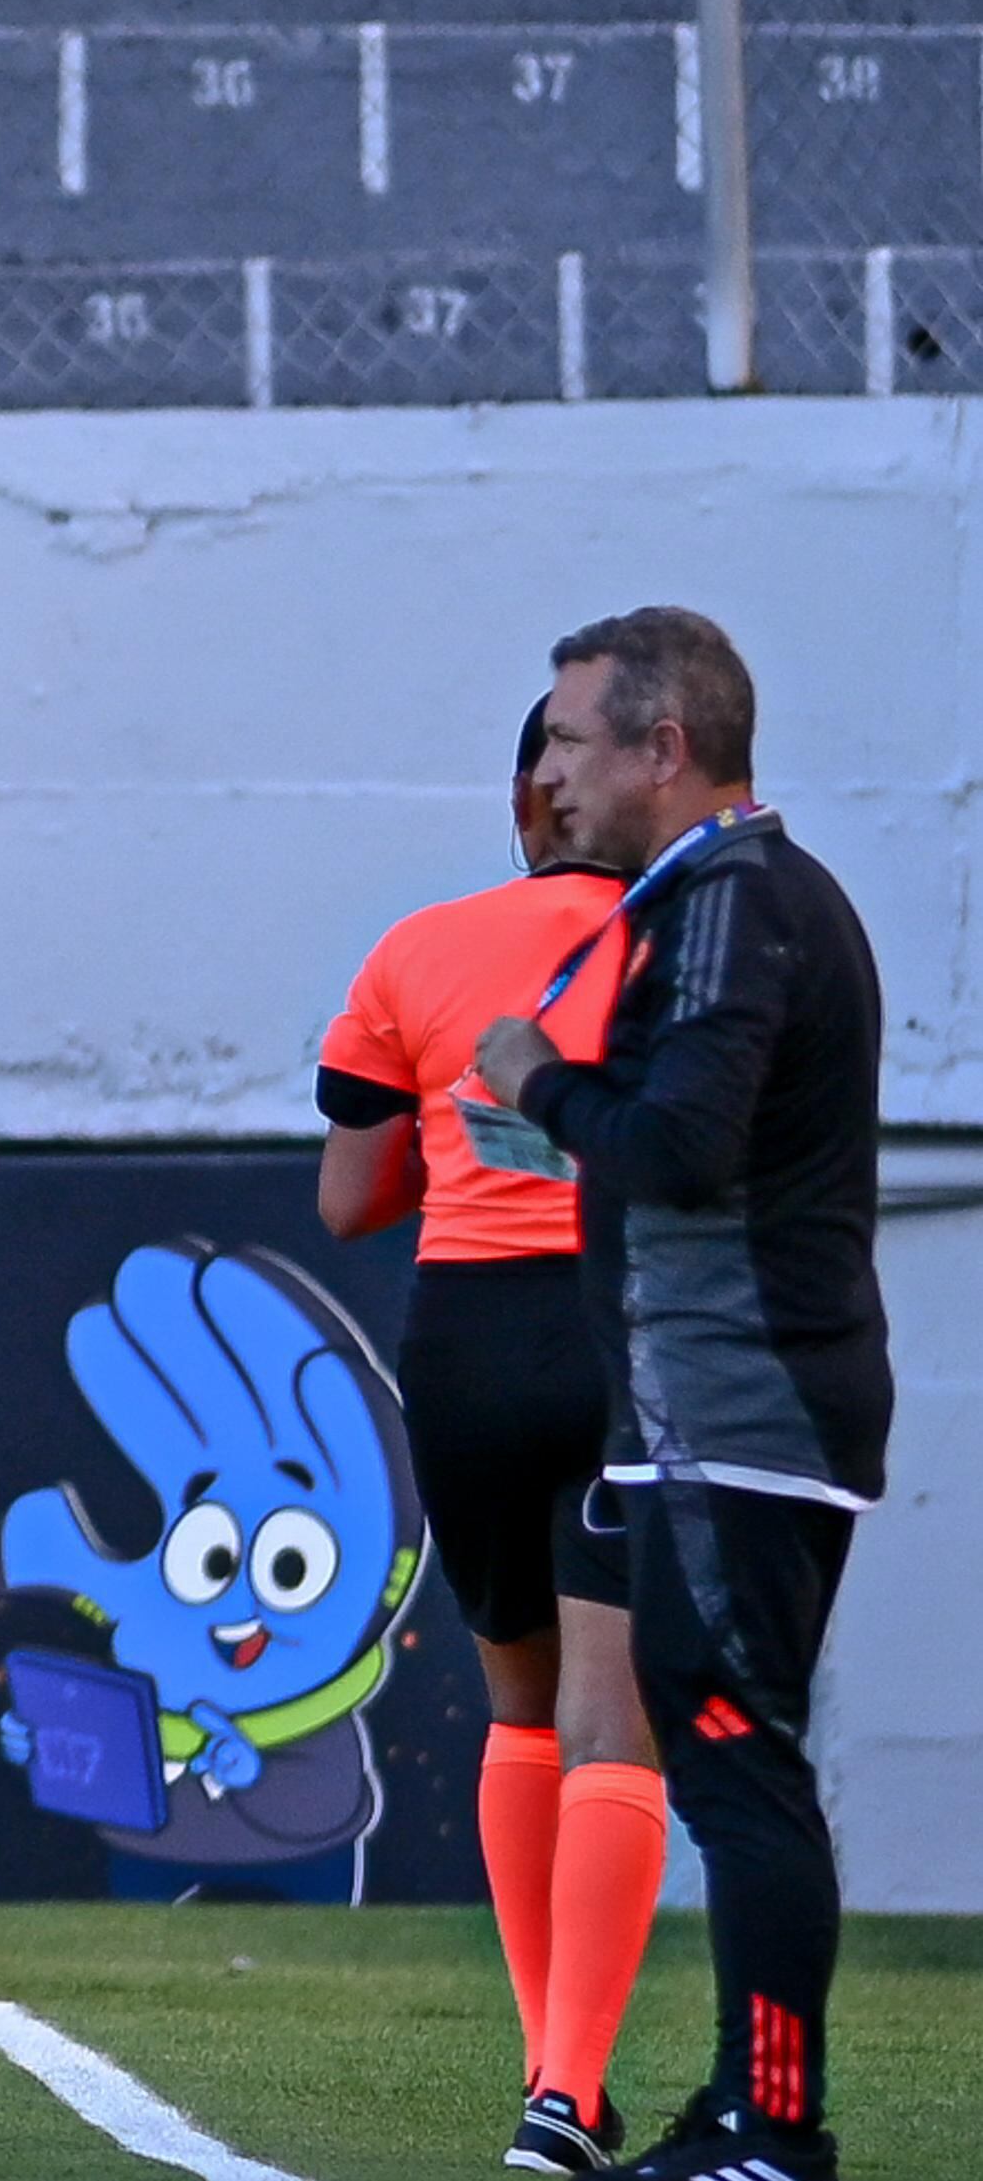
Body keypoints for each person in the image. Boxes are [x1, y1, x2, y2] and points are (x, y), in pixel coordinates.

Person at [475, 609, 892, 2181]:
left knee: (736, 1766)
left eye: (574, 738)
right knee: (726, 1762)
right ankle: (745, 2107)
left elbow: (680, 1149)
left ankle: (776, 2134)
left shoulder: (729, 899)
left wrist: (540, 1086)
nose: (551, 770)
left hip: (747, 1413)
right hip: (715, 1413)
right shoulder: (726, 895)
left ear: (665, 750)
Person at [317, 697, 667, 2173]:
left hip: (461, 1341)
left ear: (525, 802)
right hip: (621, 1334)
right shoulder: (689, 943)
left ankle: (553, 2077)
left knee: (522, 1713)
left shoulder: (415, 947)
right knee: (616, 1724)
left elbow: (349, 1200)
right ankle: (565, 2090)